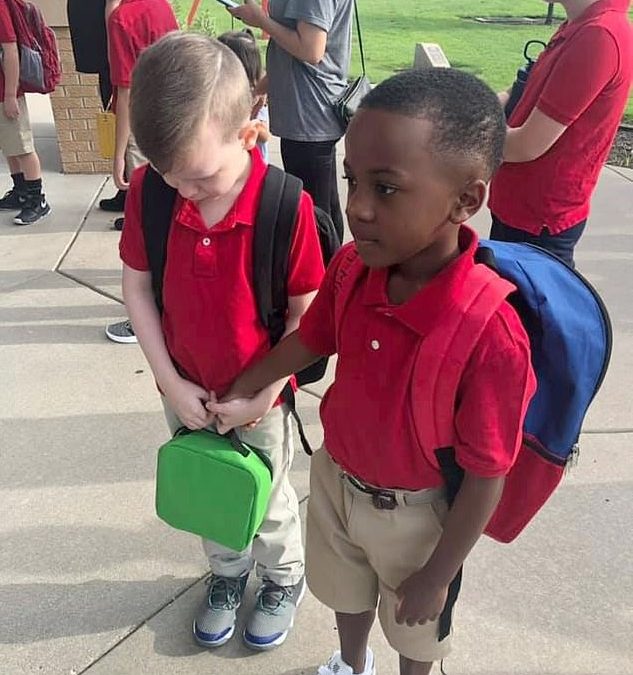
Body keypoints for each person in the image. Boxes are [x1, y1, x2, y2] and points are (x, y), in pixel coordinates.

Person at [211, 69, 537, 675]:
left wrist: (438, 574)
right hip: (337, 479)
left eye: (386, 189)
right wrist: (247, 381)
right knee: (346, 594)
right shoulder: (352, 270)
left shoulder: (490, 333)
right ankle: (352, 663)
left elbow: (487, 474)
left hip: (418, 517)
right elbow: (312, 338)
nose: (356, 207)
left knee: (415, 631)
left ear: (466, 200)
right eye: (352, 180)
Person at [120, 33, 325, 651]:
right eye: (166, 173)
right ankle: (227, 574)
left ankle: (283, 574)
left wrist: (265, 392)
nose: (183, 191)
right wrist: (170, 382)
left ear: (247, 131)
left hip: (259, 393)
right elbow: (137, 290)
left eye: (199, 177)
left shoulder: (286, 206)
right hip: (184, 387)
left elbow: (305, 316)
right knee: (212, 491)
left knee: (266, 498)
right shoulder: (152, 194)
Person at [489, 0, 633, 267]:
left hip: (538, 220)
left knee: (529, 306)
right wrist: (460, 107)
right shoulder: (580, 24)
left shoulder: (599, 35)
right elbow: (517, 93)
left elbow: (526, 145)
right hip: (521, 207)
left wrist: (453, 140)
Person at [228, 0, 354, 241]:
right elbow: (292, 48)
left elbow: (311, 50)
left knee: (314, 214)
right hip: (308, 112)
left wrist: (261, 20)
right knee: (323, 206)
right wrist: (261, 88)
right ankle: (335, 270)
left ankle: (324, 274)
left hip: (309, 113)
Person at [104, 0, 177, 344]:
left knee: (148, 236)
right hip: (175, 126)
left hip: (144, 131)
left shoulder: (122, 18)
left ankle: (150, 314)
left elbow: (125, 90)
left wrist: (118, 154)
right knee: (172, 225)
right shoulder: (159, 5)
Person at [67, 0, 128, 213]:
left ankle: (133, 197)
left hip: (113, 52)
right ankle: (126, 191)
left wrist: (113, 50)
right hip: (103, 55)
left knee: (124, 123)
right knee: (114, 118)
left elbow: (113, 5)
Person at [0, 2, 51, 226]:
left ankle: (37, 200)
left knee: (22, 146)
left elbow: (10, 49)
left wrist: (10, 95)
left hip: (5, 92)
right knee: (9, 144)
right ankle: (21, 191)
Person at [217, 29, 270, 163]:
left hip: (252, 163)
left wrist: (252, 113)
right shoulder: (221, 90)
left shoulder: (256, 93)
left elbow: (264, 135)